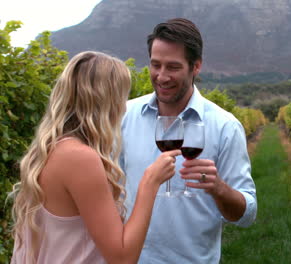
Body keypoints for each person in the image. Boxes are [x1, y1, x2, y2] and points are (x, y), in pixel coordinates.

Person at [10, 51, 181, 264]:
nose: (124, 106)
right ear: (107, 101)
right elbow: (122, 258)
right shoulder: (80, 158)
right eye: (122, 96)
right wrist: (150, 183)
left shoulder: (54, 148)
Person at [120, 18, 257, 263]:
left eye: (173, 67)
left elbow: (247, 215)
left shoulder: (224, 126)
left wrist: (219, 188)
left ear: (196, 66)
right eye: (155, 65)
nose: (161, 77)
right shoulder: (124, 115)